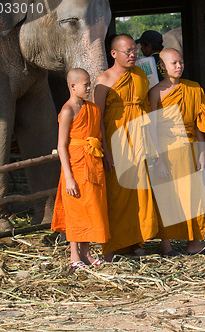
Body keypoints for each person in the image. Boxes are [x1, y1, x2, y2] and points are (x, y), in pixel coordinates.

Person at [93, 34, 160, 261]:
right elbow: (97, 117)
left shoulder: (140, 75)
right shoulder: (103, 81)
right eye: (127, 51)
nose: (133, 55)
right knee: (116, 193)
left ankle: (134, 242)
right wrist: (104, 149)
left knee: (139, 192)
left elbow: (146, 108)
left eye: (134, 51)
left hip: (140, 139)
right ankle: (111, 246)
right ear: (114, 54)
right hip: (115, 140)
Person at [148, 48, 205, 257]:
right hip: (166, 151)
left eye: (181, 62)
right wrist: (157, 159)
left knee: (192, 195)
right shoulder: (155, 92)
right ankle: (166, 245)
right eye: (173, 63)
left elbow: (198, 125)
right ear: (162, 67)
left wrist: (202, 153)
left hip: (188, 148)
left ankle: (194, 242)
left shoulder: (193, 89)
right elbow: (151, 127)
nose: (179, 66)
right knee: (166, 195)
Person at [51, 68, 110, 270]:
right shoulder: (67, 111)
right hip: (75, 166)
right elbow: (61, 145)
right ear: (72, 86)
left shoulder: (92, 109)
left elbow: (99, 134)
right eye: (85, 84)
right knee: (76, 211)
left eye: (89, 83)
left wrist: (106, 158)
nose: (89, 87)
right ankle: (74, 256)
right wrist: (68, 177)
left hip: (92, 163)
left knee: (91, 209)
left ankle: (86, 253)